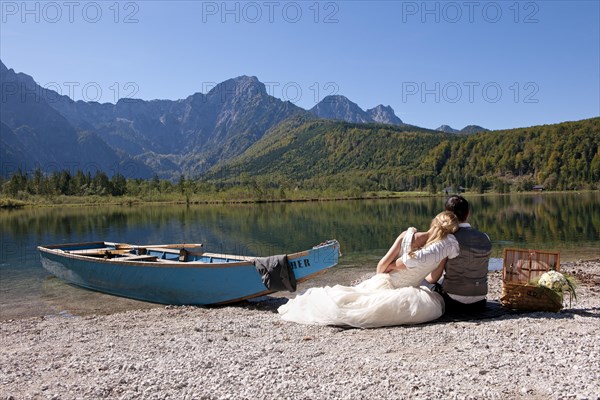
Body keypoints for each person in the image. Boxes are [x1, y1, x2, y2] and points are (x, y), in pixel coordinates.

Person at [277, 211, 460, 328]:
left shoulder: (407, 237)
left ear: (433, 222)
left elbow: (381, 268)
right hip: (403, 288)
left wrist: (397, 266)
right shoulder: (443, 249)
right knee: (360, 304)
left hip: (388, 281)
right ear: (450, 231)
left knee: (356, 302)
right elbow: (432, 278)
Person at [427, 195, 492, 313]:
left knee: (427, 284)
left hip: (454, 301)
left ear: (447, 215)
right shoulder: (485, 237)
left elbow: (434, 276)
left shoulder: (449, 239)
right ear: (468, 213)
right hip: (480, 300)